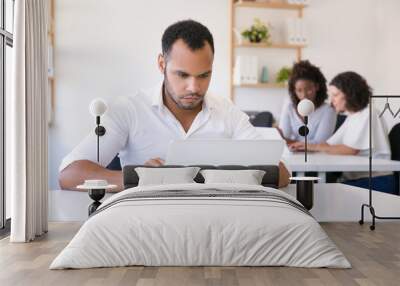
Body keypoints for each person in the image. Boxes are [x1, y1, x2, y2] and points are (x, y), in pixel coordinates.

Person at [59, 20, 291, 191]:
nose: (193, 87)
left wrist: (223, 175)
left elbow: (282, 173)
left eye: (203, 75)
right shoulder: (128, 110)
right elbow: (69, 174)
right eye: (182, 75)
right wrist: (140, 178)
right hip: (146, 222)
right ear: (162, 64)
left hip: (217, 221)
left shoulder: (227, 111)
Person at [291, 71, 392, 191]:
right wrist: (306, 146)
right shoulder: (352, 116)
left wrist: (315, 147)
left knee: (319, 193)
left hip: (375, 181)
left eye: (335, 95)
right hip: (355, 179)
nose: (332, 100)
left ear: (349, 94)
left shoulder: (369, 114)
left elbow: (350, 150)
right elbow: (329, 144)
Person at [278, 60, 336, 147]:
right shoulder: (289, 105)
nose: (304, 95)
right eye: (299, 90)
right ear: (294, 90)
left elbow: (320, 143)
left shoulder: (328, 111)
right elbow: (283, 136)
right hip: (292, 154)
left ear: (317, 87)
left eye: (308, 89)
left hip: (317, 157)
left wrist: (289, 142)